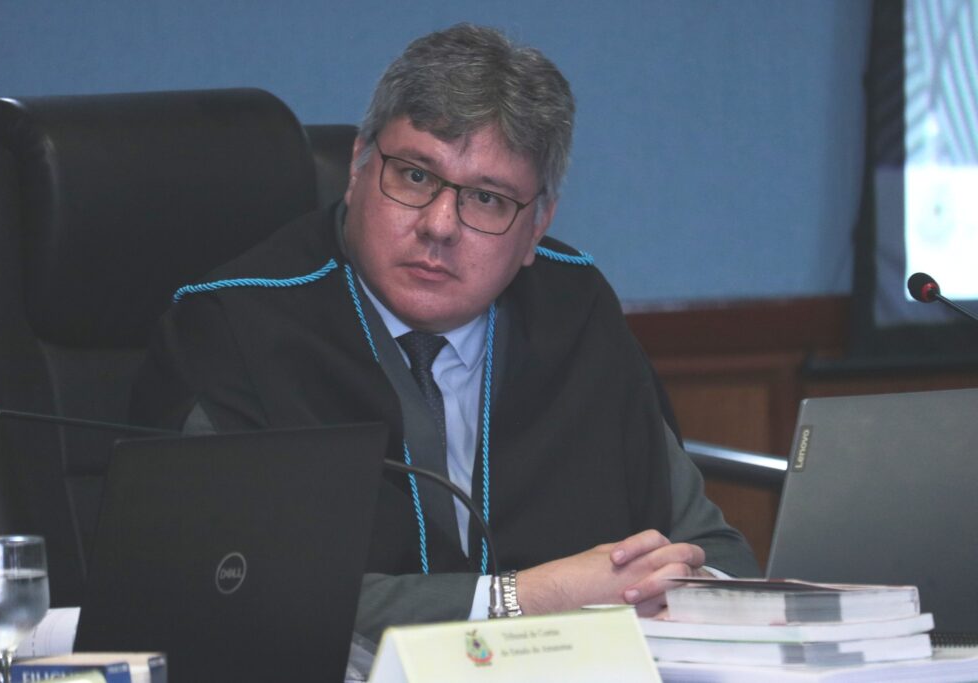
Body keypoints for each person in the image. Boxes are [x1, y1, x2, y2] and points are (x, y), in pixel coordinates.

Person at [130, 23, 759, 649]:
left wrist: (676, 591)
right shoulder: (237, 325)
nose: (439, 225)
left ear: (538, 225)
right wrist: (526, 600)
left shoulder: (575, 307)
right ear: (357, 167)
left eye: (486, 199)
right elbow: (223, 591)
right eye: (414, 177)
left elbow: (715, 553)